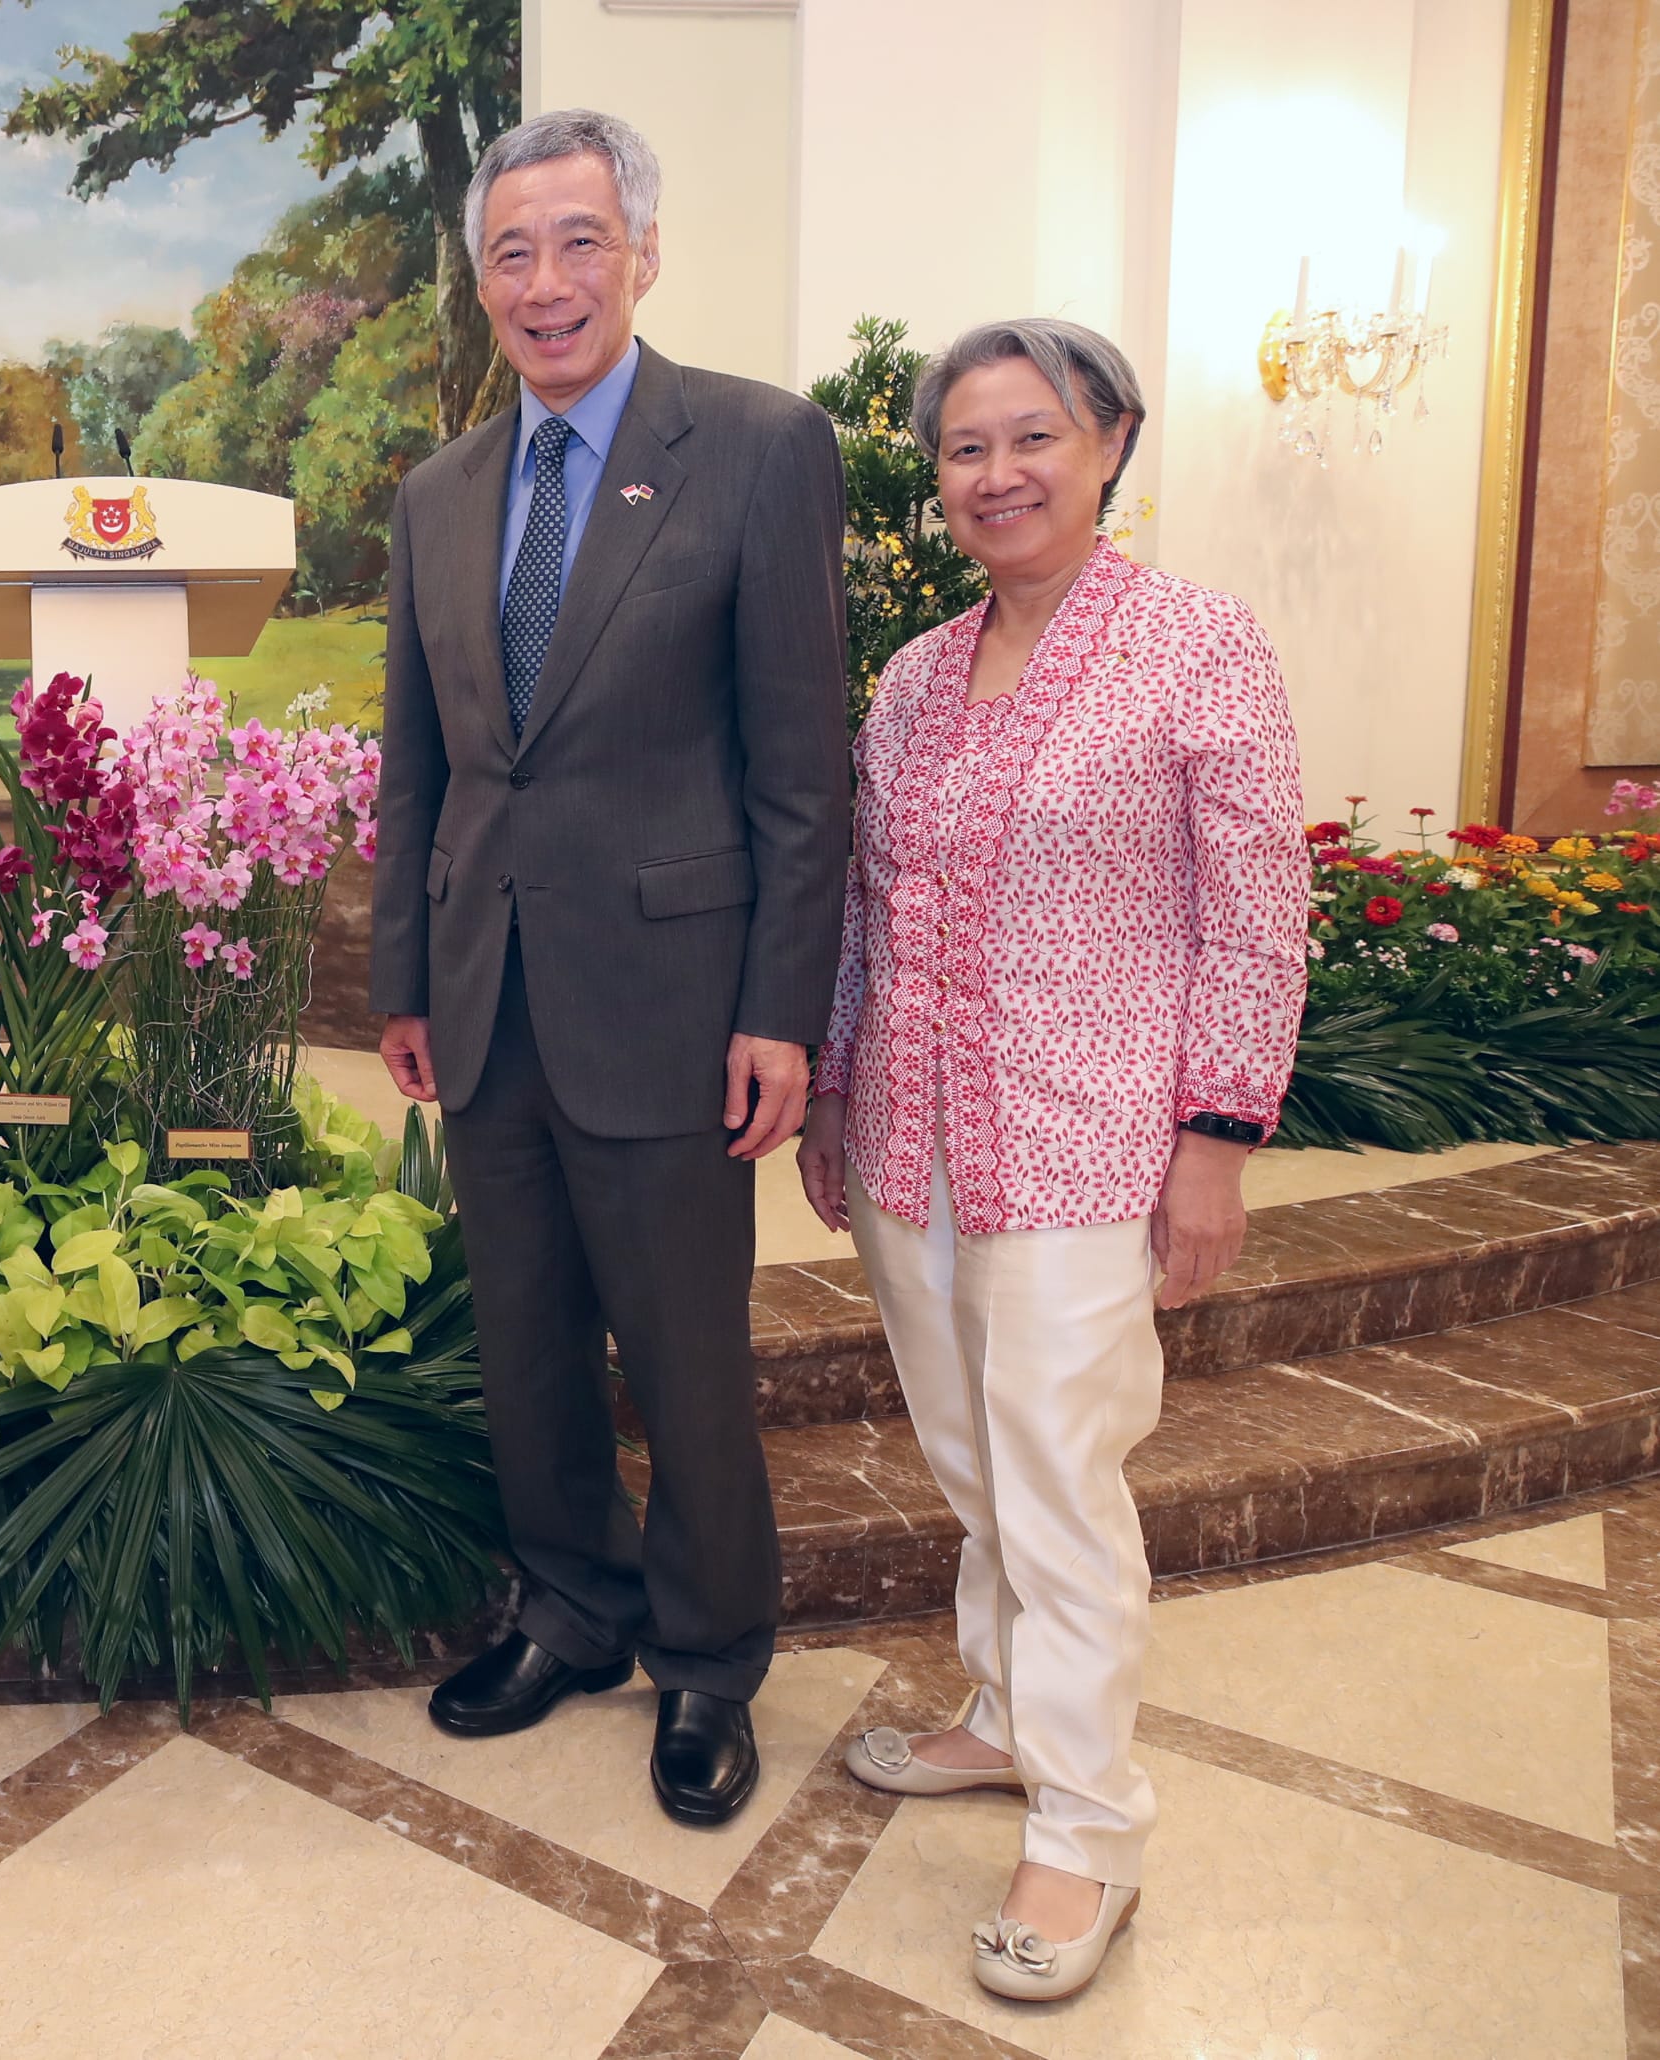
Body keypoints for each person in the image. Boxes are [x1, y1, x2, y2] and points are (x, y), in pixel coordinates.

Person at [798, 317, 1307, 2003]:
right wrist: (836, 1098)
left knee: (1063, 1488)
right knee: (970, 1460)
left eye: (1033, 437)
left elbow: (1256, 914)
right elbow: (868, 910)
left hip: (1091, 1149)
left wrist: (1217, 1145)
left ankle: (1091, 1831)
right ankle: (1010, 1719)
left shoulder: (1195, 647)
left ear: (1109, 446)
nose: (996, 474)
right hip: (913, 1141)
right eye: (964, 447)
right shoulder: (916, 674)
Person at [371, 109, 852, 1825]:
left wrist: (782, 1011)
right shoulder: (437, 493)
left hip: (672, 1005)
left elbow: (804, 770)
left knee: (685, 1355)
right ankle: (569, 1607)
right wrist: (404, 980)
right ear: (480, 281)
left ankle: (711, 1659)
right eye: (513, 251)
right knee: (525, 1340)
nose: (547, 282)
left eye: (580, 242)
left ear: (642, 252)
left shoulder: (756, 447)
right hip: (488, 1007)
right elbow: (418, 765)